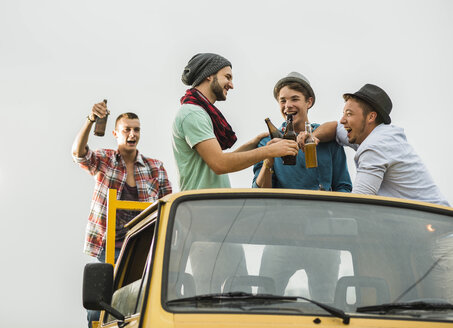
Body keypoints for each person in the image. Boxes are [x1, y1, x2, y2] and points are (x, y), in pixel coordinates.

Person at [253, 72, 352, 302]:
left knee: (325, 305)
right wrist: (269, 157)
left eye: (294, 99)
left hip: (323, 242)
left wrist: (330, 216)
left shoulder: (328, 142)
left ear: (309, 102)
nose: (288, 105)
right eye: (282, 100)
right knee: (265, 303)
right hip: (281, 238)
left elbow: (344, 187)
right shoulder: (267, 143)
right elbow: (261, 194)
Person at [72, 102, 172, 327]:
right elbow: (79, 154)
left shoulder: (155, 167)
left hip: (142, 246)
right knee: (99, 306)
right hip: (109, 246)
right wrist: (90, 120)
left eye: (136, 129)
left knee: (140, 302)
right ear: (116, 133)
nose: (132, 134)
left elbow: (167, 205)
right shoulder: (106, 160)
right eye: (127, 129)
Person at [298, 83, 450, 206]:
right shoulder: (371, 134)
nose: (343, 120)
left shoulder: (376, 146)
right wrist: (312, 136)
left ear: (371, 117)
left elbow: (359, 203)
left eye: (349, 114)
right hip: (424, 225)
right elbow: (334, 127)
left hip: (436, 231)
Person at [172, 53, 299, 191]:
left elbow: (221, 160)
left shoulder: (201, 113)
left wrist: (253, 144)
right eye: (227, 77)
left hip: (209, 206)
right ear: (208, 75)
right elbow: (220, 164)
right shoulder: (192, 113)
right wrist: (269, 151)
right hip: (201, 207)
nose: (231, 85)